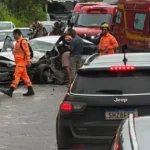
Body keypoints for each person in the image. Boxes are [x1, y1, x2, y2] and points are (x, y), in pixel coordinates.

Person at [1, 29, 35, 97]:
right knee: (25, 76)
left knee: (17, 75)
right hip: (19, 62)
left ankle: (10, 90)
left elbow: (27, 52)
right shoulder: (17, 42)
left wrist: (28, 61)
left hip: (22, 62)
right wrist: (14, 52)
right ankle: (30, 90)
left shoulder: (23, 41)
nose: (13, 36)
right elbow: (18, 52)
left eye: (14, 34)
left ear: (17, 34)